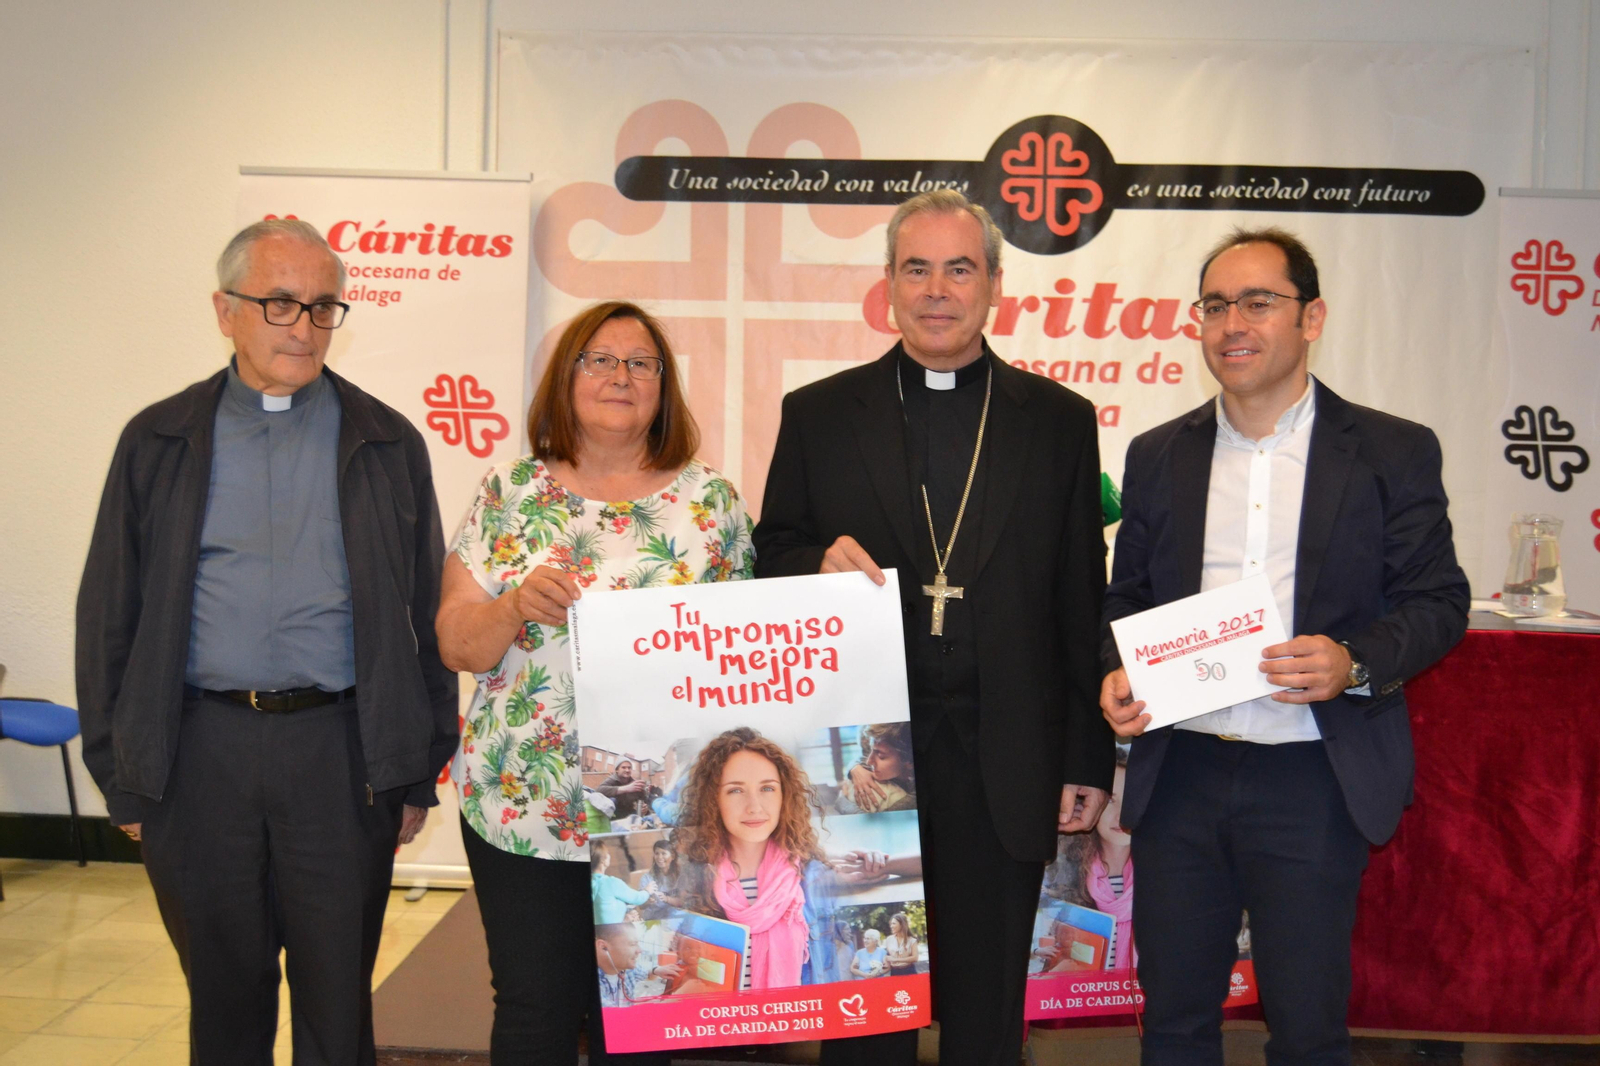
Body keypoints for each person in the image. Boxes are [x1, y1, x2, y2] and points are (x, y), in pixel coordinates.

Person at [75, 218, 457, 1066]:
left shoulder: (387, 440)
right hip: (199, 752)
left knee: (338, 1000)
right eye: (280, 303)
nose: (304, 327)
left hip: (341, 755)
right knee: (224, 999)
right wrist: (119, 770)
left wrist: (418, 764)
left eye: (322, 306)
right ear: (226, 311)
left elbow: (425, 614)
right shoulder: (158, 440)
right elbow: (109, 614)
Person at [754, 188, 1115, 1065]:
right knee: (867, 1013)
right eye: (917, 269)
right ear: (888, 283)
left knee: (987, 1022)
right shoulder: (820, 414)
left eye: (960, 269)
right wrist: (812, 562)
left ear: (994, 284)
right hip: (869, 769)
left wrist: (1085, 755)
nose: (937, 290)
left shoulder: (1058, 422)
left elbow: (1081, 596)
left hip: (1008, 758)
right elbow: (772, 553)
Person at [1100, 228, 1470, 1066]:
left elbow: (1438, 601)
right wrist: (1114, 671)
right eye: (1216, 306)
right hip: (1182, 772)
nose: (1234, 323)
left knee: (1307, 1031)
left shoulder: (1391, 450)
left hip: (1312, 775)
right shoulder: (1158, 455)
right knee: (1174, 1025)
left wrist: (1353, 660)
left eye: (1259, 302)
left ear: (1313, 318)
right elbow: (1126, 600)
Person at [435, 300, 755, 1065]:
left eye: (641, 363)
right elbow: (455, 642)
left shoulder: (711, 503)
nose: (620, 376)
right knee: (533, 1008)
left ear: (663, 385)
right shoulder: (509, 490)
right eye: (600, 359)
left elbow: (744, 663)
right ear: (566, 376)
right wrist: (512, 605)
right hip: (524, 800)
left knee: (643, 1013)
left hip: (660, 817)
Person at [674, 727, 836, 991]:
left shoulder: (813, 877)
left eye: (767, 788)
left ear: (785, 795)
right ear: (713, 800)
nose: (754, 806)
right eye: (736, 791)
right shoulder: (691, 883)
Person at [1048, 748, 1134, 970]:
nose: (1121, 815)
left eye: (1131, 798)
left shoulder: (1165, 879)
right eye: (1110, 800)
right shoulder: (1064, 879)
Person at [595, 923, 682, 1008]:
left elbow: (648, 974)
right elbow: (615, 1016)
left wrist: (656, 970)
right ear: (603, 947)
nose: (639, 950)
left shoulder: (626, 969)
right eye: (632, 944)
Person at [839, 722, 917, 813]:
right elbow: (860, 758)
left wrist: (842, 802)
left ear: (909, 761)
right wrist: (854, 768)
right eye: (871, 750)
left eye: (881, 756)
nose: (869, 761)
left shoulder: (913, 798)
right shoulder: (875, 745)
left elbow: (883, 820)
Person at [592, 843, 651, 924]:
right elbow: (637, 898)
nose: (609, 856)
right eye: (608, 853)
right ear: (603, 860)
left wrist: (625, 919)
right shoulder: (610, 882)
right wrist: (647, 890)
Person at [639, 839, 685, 919]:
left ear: (673, 856)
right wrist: (648, 901)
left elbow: (683, 902)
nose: (660, 857)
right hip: (652, 920)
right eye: (657, 853)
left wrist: (667, 899)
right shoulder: (647, 878)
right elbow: (641, 906)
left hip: (674, 919)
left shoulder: (680, 876)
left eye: (664, 853)